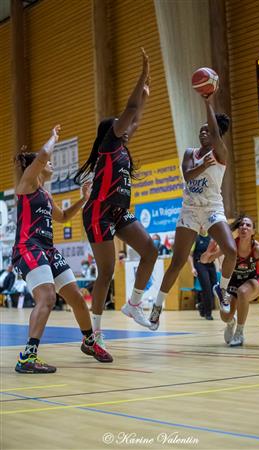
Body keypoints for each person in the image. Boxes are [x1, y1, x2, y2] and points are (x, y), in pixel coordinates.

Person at [12, 125, 113, 374]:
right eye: (46, 163)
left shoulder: (45, 196)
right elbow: (44, 156)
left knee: (77, 298)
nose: (51, 165)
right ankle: (28, 356)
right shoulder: (26, 185)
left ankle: (89, 342)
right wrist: (54, 137)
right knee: (47, 297)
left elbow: (64, 216)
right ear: (35, 166)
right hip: (28, 247)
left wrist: (84, 198)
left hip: (47, 250)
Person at [74, 49, 158, 333]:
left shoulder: (121, 145)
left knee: (150, 250)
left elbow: (136, 118)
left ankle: (133, 304)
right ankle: (94, 333)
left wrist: (145, 96)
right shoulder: (109, 144)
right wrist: (142, 75)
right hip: (98, 212)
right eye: (121, 124)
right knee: (106, 272)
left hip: (118, 210)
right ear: (111, 130)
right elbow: (131, 111)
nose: (127, 127)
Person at [149, 91, 237, 329]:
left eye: (207, 129)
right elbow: (188, 177)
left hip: (211, 207)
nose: (203, 132)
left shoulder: (220, 153)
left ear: (215, 133)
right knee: (177, 261)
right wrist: (202, 167)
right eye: (201, 129)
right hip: (189, 209)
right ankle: (157, 305)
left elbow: (215, 133)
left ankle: (224, 289)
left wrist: (208, 101)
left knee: (231, 250)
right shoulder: (190, 153)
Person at [200, 215, 259, 346]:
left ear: (253, 231)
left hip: (253, 281)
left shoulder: (257, 249)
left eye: (248, 225)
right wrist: (207, 253)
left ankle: (239, 333)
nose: (244, 227)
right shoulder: (231, 245)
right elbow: (206, 261)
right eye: (241, 225)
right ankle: (230, 322)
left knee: (243, 292)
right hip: (233, 281)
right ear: (238, 230)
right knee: (226, 316)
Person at [188, 226, 217, 320]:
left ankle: (201, 306)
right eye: (200, 225)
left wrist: (220, 265)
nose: (202, 226)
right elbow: (190, 255)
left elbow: (216, 252)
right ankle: (208, 313)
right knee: (207, 288)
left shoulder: (211, 238)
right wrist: (192, 268)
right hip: (199, 265)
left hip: (210, 264)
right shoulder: (195, 238)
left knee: (214, 288)